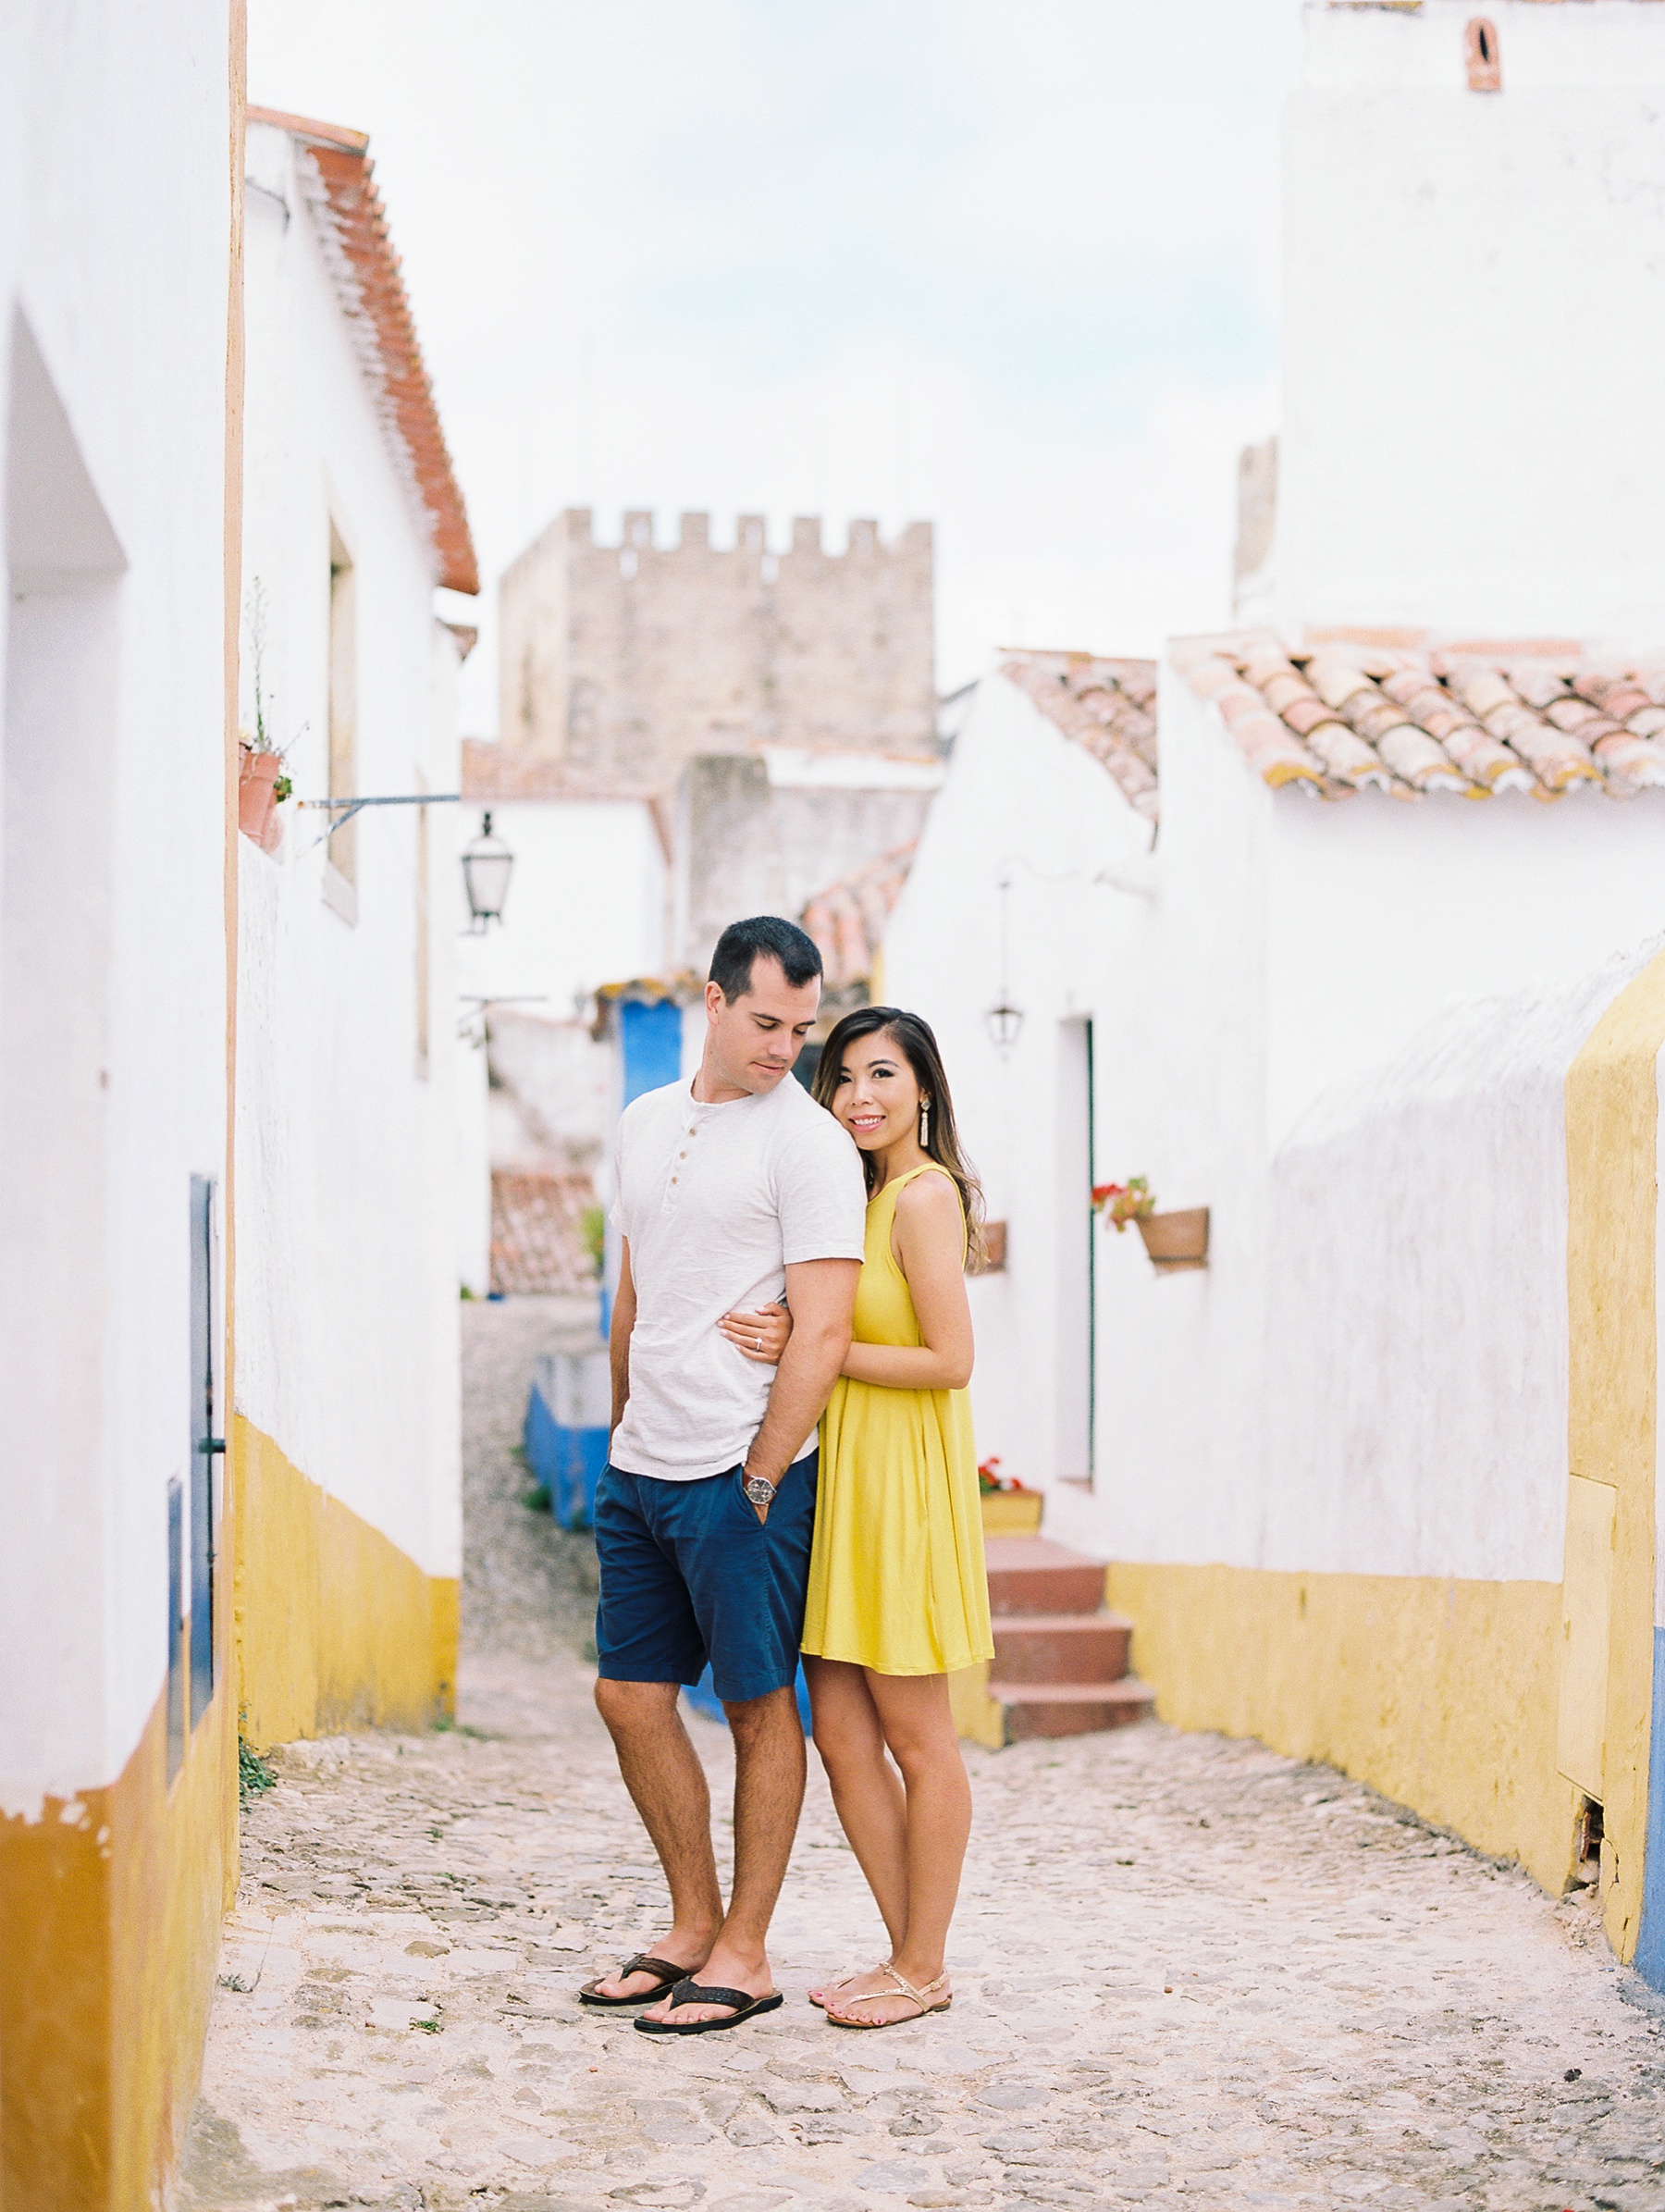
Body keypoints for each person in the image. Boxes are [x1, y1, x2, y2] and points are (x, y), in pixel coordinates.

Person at [579, 916, 867, 2037]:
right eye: (764, 1021)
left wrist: (760, 1472)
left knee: (756, 1709)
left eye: (802, 1027)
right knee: (628, 1695)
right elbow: (635, 1291)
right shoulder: (644, 1124)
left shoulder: (808, 1144)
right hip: (643, 1461)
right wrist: (619, 1430)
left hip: (740, 1471)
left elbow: (826, 1327)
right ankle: (689, 1925)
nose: (783, 1045)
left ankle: (745, 1953)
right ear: (712, 1000)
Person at [719, 1006, 993, 2030]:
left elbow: (950, 1361)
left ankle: (924, 1966)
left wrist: (816, 1347)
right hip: (844, 1491)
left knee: (919, 1739)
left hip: (904, 1494)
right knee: (838, 1730)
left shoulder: (922, 1198)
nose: (860, 1096)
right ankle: (906, 1956)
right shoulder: (855, 1198)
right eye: (843, 1079)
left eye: (884, 1074)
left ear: (924, 1087)